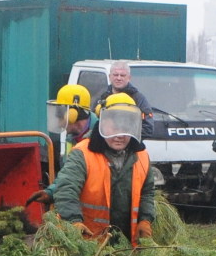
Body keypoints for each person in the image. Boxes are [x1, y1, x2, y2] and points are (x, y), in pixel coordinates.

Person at [51, 93, 155, 247]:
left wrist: (145, 220)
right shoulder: (83, 153)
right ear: (102, 124)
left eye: (125, 127)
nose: (119, 135)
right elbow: (66, 189)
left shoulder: (142, 157)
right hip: (88, 244)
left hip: (127, 244)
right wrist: (74, 222)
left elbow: (147, 193)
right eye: (114, 127)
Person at [92, 60, 154, 139]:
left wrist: (125, 138)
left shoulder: (138, 99)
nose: (119, 78)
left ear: (129, 78)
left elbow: (148, 128)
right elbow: (93, 123)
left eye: (122, 75)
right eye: (115, 75)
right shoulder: (102, 98)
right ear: (109, 76)